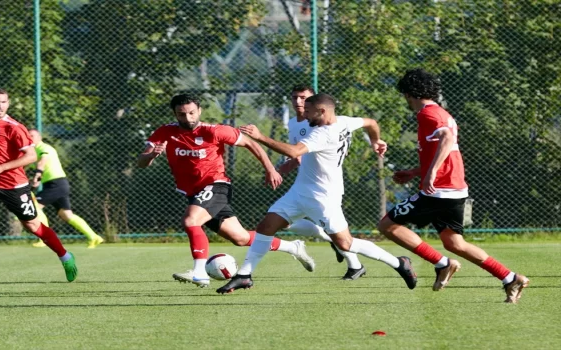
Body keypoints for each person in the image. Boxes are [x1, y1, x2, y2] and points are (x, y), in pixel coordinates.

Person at [217, 93, 417, 294]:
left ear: (322, 111)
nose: (305, 115)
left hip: (323, 196)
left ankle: (399, 263)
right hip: (299, 192)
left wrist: (260, 137)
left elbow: (294, 152)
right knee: (266, 226)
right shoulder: (345, 122)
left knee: (345, 244)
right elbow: (371, 122)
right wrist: (376, 141)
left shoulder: (323, 133)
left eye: (309, 111)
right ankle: (244, 275)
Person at [377, 69, 529, 303]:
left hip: (439, 190)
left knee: (387, 225)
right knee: (454, 242)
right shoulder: (441, 112)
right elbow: (447, 151)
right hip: (454, 188)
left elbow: (447, 139)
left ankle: (442, 264)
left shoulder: (428, 114)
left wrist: (431, 174)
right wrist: (416, 172)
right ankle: (510, 278)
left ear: (409, 94)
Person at [137, 94, 316, 288]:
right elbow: (142, 162)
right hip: (194, 193)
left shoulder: (214, 131)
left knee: (191, 221)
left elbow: (250, 143)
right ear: (174, 114)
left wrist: (270, 169)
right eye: (182, 114)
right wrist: (151, 155)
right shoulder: (165, 132)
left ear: (199, 111)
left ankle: (199, 273)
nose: (188, 118)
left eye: (191, 113)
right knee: (241, 238)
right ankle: (293, 247)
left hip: (216, 185)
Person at [0, 87, 77, 282]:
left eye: (4, 102)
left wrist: (0, 168)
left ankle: (65, 256)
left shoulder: (14, 127)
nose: (0, 106)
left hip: (14, 186)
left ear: (8, 103)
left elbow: (30, 156)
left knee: (33, 226)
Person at [280, 84, 366, 280]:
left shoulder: (321, 124)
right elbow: (297, 155)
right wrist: (283, 167)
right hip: (305, 184)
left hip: (324, 186)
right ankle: (349, 258)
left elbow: (298, 153)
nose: (298, 102)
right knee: (282, 222)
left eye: (303, 98)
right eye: (295, 97)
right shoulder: (294, 123)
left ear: (315, 103)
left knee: (336, 232)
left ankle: (360, 264)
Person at [28, 130, 104, 249]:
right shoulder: (33, 150)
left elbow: (43, 161)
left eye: (32, 135)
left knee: (34, 206)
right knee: (66, 215)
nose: (29, 137)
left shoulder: (44, 147)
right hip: (58, 184)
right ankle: (94, 237)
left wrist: (38, 174)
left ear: (39, 137)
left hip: (56, 184)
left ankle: (44, 239)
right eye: (28, 135)